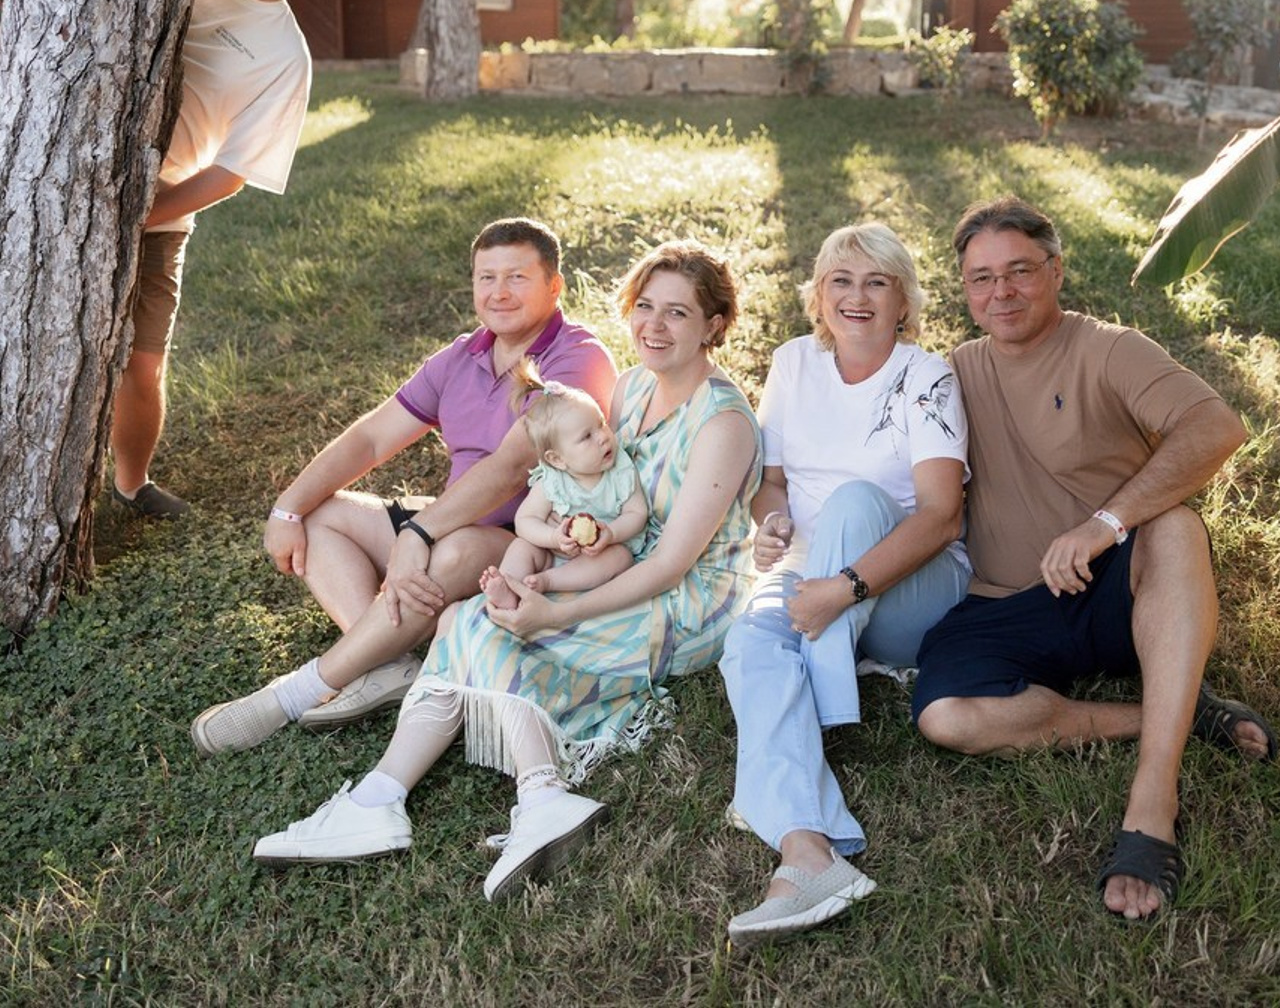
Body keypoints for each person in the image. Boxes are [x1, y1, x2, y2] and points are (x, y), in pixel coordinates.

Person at [249, 240, 762, 903]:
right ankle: (393, 800)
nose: (654, 326)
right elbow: (584, 487)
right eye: (645, 307)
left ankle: (499, 796)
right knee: (463, 617)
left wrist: (559, 608)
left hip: (686, 599)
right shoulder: (635, 388)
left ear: (714, 325)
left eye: (678, 313)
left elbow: (671, 563)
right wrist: (550, 546)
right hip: (606, 563)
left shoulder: (722, 422)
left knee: (488, 629)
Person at [912, 195, 1276, 921]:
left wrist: (1105, 524)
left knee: (1176, 530)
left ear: (1056, 271)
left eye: (1020, 271)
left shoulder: (1109, 347)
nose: (1001, 291)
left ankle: (1152, 801)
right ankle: (1167, 714)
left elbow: (1215, 426)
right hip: (1003, 603)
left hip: (1116, 585)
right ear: (965, 291)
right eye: (982, 278)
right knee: (948, 720)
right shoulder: (950, 374)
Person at [14, 0, 333, 519]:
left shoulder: (285, 57)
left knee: (142, 363)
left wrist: (136, 217)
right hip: (60, 171)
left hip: (159, 211)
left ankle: (131, 485)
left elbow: (231, 172)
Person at [190, 218, 616, 755]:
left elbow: (511, 467)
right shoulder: (462, 355)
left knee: (454, 549)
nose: (499, 292)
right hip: (448, 522)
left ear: (555, 287)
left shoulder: (575, 356)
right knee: (321, 516)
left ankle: (297, 692)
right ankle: (385, 663)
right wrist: (288, 507)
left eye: (517, 277)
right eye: (486, 278)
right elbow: (371, 438)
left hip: (528, 539)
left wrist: (418, 533)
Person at [718, 223, 971, 946]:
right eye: (841, 280)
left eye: (876, 282)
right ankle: (808, 854)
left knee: (856, 502)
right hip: (810, 577)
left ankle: (815, 704)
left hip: (911, 590)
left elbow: (943, 517)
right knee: (748, 643)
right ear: (819, 295)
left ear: (903, 302)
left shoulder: (926, 377)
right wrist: (771, 523)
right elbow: (770, 485)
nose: (857, 297)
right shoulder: (793, 362)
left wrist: (843, 589)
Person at [478, 361, 649, 611]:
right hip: (552, 553)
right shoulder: (553, 480)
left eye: (601, 423)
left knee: (620, 557)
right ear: (557, 459)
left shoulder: (620, 469)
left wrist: (611, 534)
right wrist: (553, 538)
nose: (603, 437)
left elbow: (637, 513)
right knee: (521, 547)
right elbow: (525, 521)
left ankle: (547, 582)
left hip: (598, 555)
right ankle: (508, 589)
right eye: (587, 436)